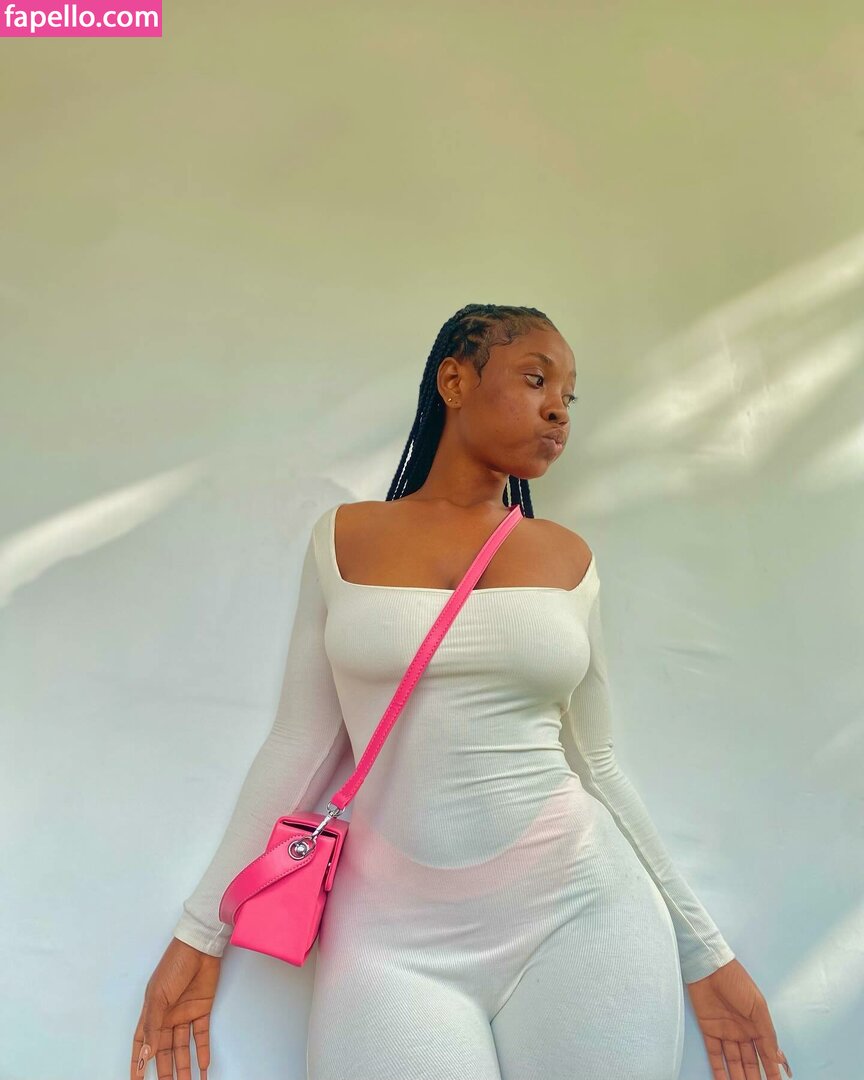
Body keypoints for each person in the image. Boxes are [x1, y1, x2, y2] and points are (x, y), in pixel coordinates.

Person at [130, 303, 792, 1080]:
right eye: (536, 380)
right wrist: (200, 933)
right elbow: (299, 742)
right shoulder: (343, 538)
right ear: (455, 380)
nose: (558, 409)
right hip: (391, 938)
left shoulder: (568, 559)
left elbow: (598, 760)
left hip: (581, 912)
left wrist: (705, 953)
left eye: (568, 396)